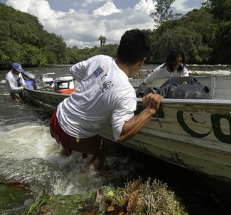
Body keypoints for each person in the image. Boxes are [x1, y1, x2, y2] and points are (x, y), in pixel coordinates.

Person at [50, 29, 163, 170]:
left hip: (56, 118)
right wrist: (150, 110)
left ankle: (62, 160)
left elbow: (74, 70)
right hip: (71, 133)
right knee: (102, 151)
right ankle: (81, 182)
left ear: (119, 49)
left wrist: (93, 87)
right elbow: (120, 134)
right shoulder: (126, 91)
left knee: (70, 139)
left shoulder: (100, 59)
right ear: (142, 61)